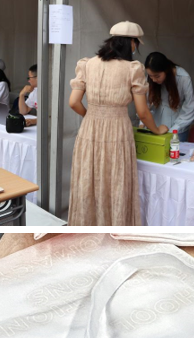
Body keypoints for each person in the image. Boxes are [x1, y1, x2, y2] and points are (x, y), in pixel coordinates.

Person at [68, 21, 168, 226]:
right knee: (116, 182)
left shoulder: (87, 64)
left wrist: (91, 116)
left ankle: (86, 229)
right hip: (117, 131)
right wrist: (157, 130)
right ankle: (115, 229)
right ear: (132, 43)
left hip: (89, 130)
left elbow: (73, 102)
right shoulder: (132, 69)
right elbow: (142, 112)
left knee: (88, 181)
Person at [144, 52, 194, 142]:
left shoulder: (183, 78)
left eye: (157, 76)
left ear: (166, 70)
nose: (154, 80)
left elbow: (189, 108)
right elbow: (145, 105)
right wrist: (143, 123)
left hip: (178, 127)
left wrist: (174, 130)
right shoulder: (150, 80)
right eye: (150, 76)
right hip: (156, 127)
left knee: (175, 150)